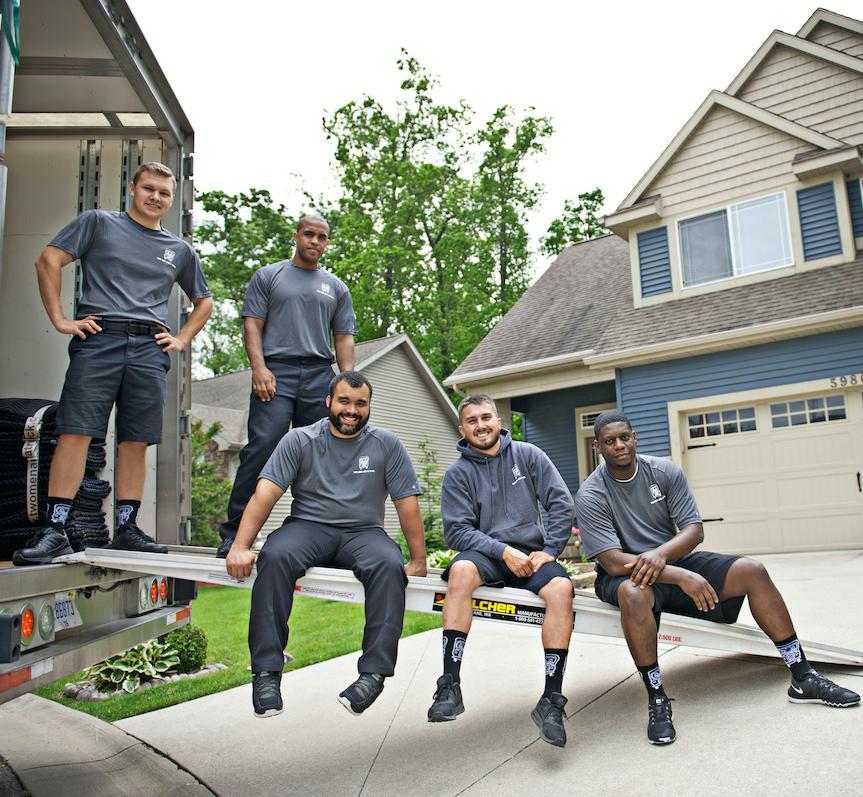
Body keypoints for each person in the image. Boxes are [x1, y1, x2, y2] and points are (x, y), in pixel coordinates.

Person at [575, 410, 860, 745]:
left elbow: (694, 531)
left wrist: (663, 556)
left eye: (624, 437)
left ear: (634, 437)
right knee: (635, 594)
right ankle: (657, 699)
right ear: (598, 446)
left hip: (669, 561)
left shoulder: (663, 472)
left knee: (752, 571)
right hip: (625, 576)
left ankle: (802, 675)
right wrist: (680, 575)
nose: (619, 445)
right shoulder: (591, 494)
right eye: (610, 441)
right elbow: (611, 561)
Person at [13, 162, 212, 565]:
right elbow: (47, 261)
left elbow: (203, 302)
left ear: (171, 200)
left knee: (135, 440)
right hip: (99, 338)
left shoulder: (179, 250)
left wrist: (181, 338)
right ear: (133, 188)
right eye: (149, 189)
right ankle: (55, 530)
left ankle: (127, 529)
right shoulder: (98, 223)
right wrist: (60, 320)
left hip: (148, 347)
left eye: (164, 193)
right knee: (76, 433)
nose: (156, 197)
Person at [226, 371, 427, 719]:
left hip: (363, 532)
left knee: (388, 565)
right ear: (328, 402)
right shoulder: (300, 440)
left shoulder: (386, 444)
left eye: (360, 403)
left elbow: (406, 503)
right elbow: (265, 494)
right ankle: (266, 673)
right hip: (308, 527)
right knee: (274, 556)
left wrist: (418, 559)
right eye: (345, 401)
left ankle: (373, 675)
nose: (352, 410)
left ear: (369, 407)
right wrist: (240, 545)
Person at [428, 395, 575, 748]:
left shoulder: (529, 456)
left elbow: (561, 504)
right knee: (460, 572)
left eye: (486, 417)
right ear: (462, 429)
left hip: (531, 555)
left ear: (498, 420)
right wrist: (502, 551)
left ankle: (551, 701)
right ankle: (450, 685)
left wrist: (549, 551)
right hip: (487, 554)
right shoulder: (457, 474)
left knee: (561, 591)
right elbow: (457, 531)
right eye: (472, 421)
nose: (481, 425)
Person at [217, 214, 356, 559]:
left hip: (318, 374)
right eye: (309, 234)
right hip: (275, 373)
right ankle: (235, 535)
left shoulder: (335, 287)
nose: (315, 241)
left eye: (322, 237)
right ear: (296, 236)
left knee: (321, 454)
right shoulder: (269, 276)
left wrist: (347, 383)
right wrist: (259, 368)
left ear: (327, 243)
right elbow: (252, 326)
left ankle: (320, 536)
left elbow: (343, 337)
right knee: (262, 447)